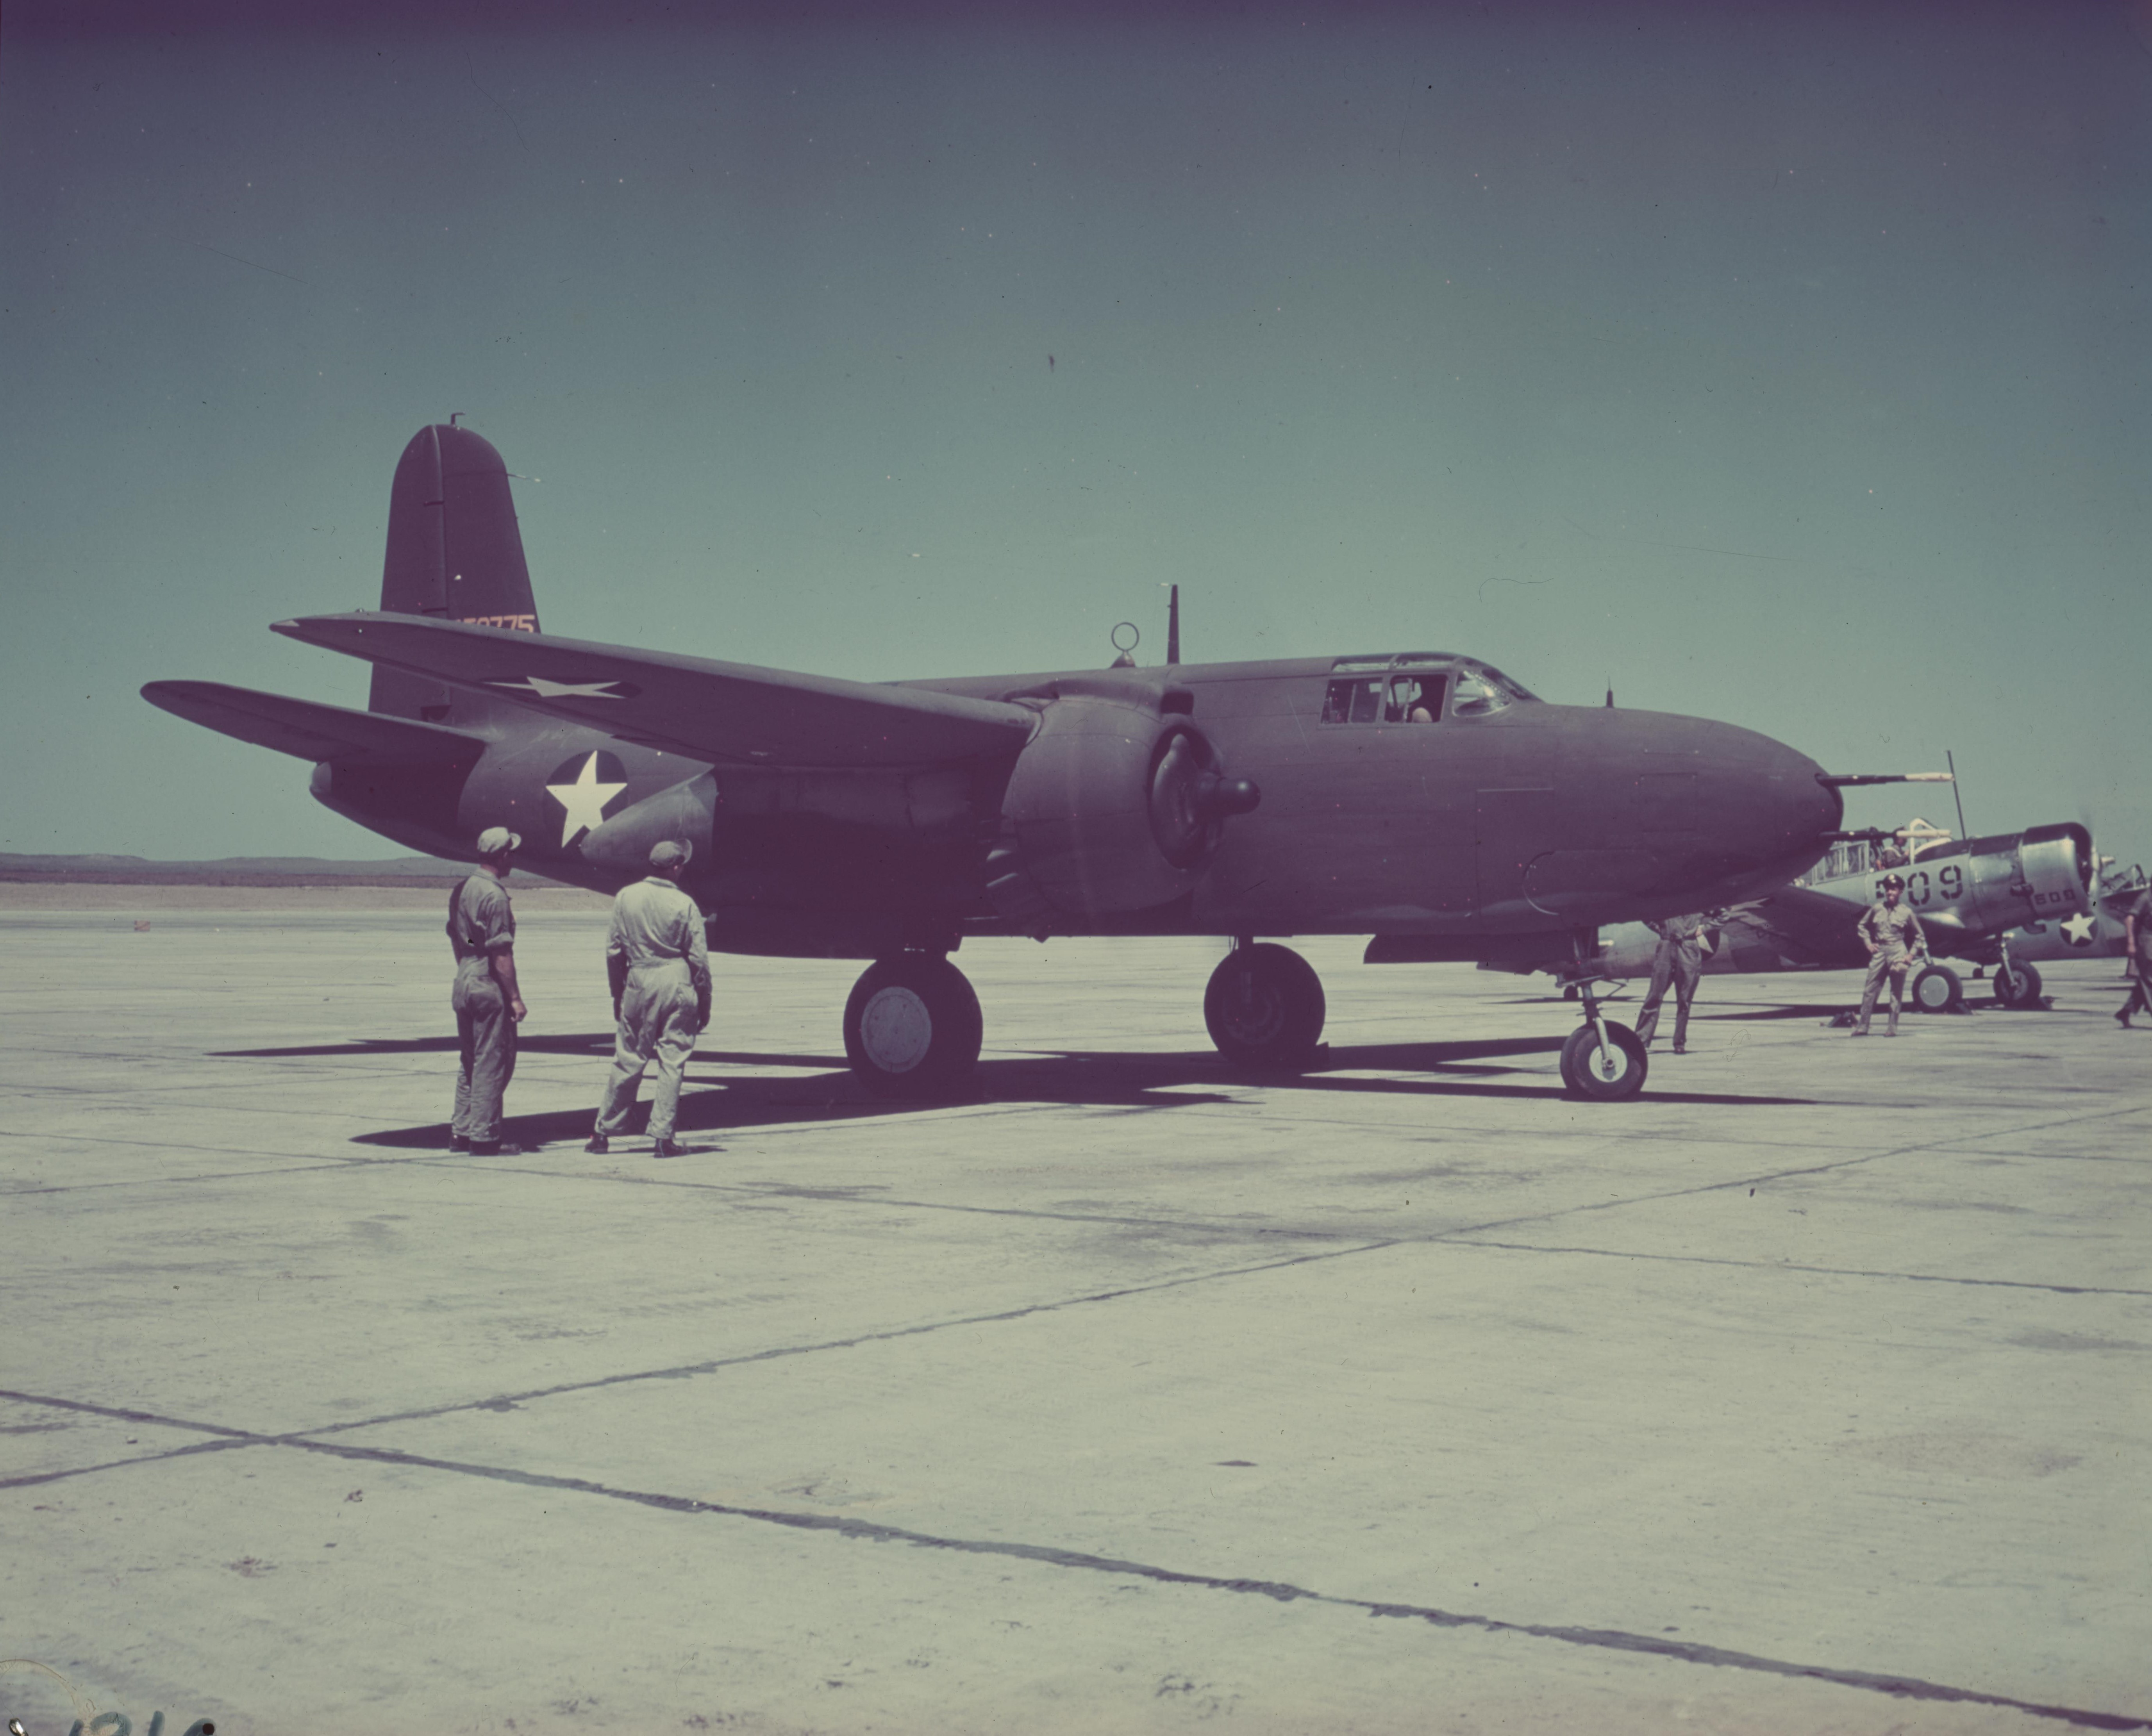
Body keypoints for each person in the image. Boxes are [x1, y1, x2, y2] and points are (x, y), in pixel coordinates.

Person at [586, 839, 713, 1158]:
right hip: (676, 980)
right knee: (672, 1062)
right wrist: (705, 1001)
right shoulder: (685, 903)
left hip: (639, 981)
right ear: (674, 867)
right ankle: (662, 1136)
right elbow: (699, 960)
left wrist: (618, 993)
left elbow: (614, 951)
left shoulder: (625, 897)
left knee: (628, 1058)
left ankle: (603, 1132)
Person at [448, 826, 527, 1154]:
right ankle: (485, 1138)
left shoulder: (464, 888)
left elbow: (459, 937)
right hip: (486, 979)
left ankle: (461, 1132)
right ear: (503, 855)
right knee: (492, 1061)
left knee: (470, 1060)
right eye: (512, 852)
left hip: (466, 975)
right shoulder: (494, 895)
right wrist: (514, 997)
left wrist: (468, 966)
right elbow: (501, 953)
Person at [1852, 872, 1926, 1037]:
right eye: (1888, 890)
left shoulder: (1907, 913)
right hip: (1880, 953)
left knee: (1896, 992)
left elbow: (1920, 936)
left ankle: (1892, 1028)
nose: (1890, 893)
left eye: (1894, 889)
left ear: (1900, 892)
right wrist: (1868, 944)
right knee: (1870, 990)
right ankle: (1863, 1026)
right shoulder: (1877, 909)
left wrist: (1911, 955)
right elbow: (1862, 926)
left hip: (1898, 952)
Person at [1634, 912, 1709, 1053]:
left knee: (1685, 1001)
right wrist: (1660, 929)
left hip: (1688, 948)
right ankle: (1641, 1041)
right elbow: (1646, 914)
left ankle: (1679, 1043)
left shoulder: (1699, 899)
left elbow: (1723, 913)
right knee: (1654, 997)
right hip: (1666, 947)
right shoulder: (1670, 899)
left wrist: (1705, 929)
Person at [2116, 881, 2152, 1028]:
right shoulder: (2145, 898)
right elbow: (2130, 920)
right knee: (2150, 982)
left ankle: (2126, 1012)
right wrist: (2131, 943)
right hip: (2145, 946)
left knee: (2143, 986)